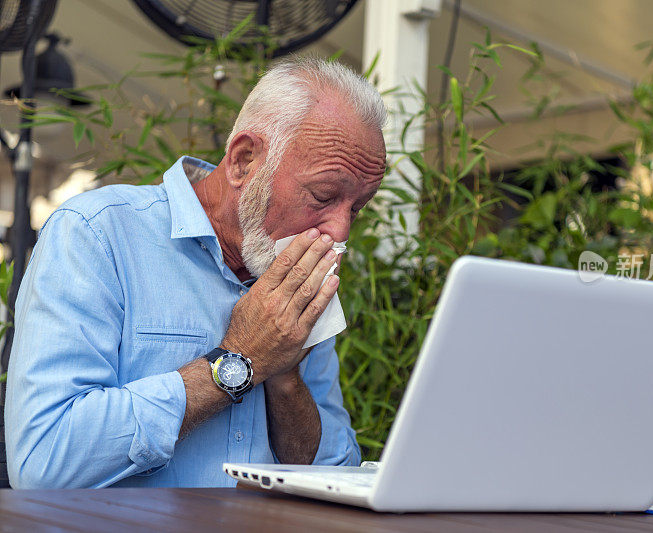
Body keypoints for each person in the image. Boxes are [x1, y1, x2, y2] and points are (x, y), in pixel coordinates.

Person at [4, 56, 387, 488]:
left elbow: (337, 473)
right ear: (244, 161)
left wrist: (284, 376)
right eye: (323, 195)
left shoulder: (295, 280)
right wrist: (238, 361)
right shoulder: (98, 233)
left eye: (357, 207)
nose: (340, 231)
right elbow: (45, 464)